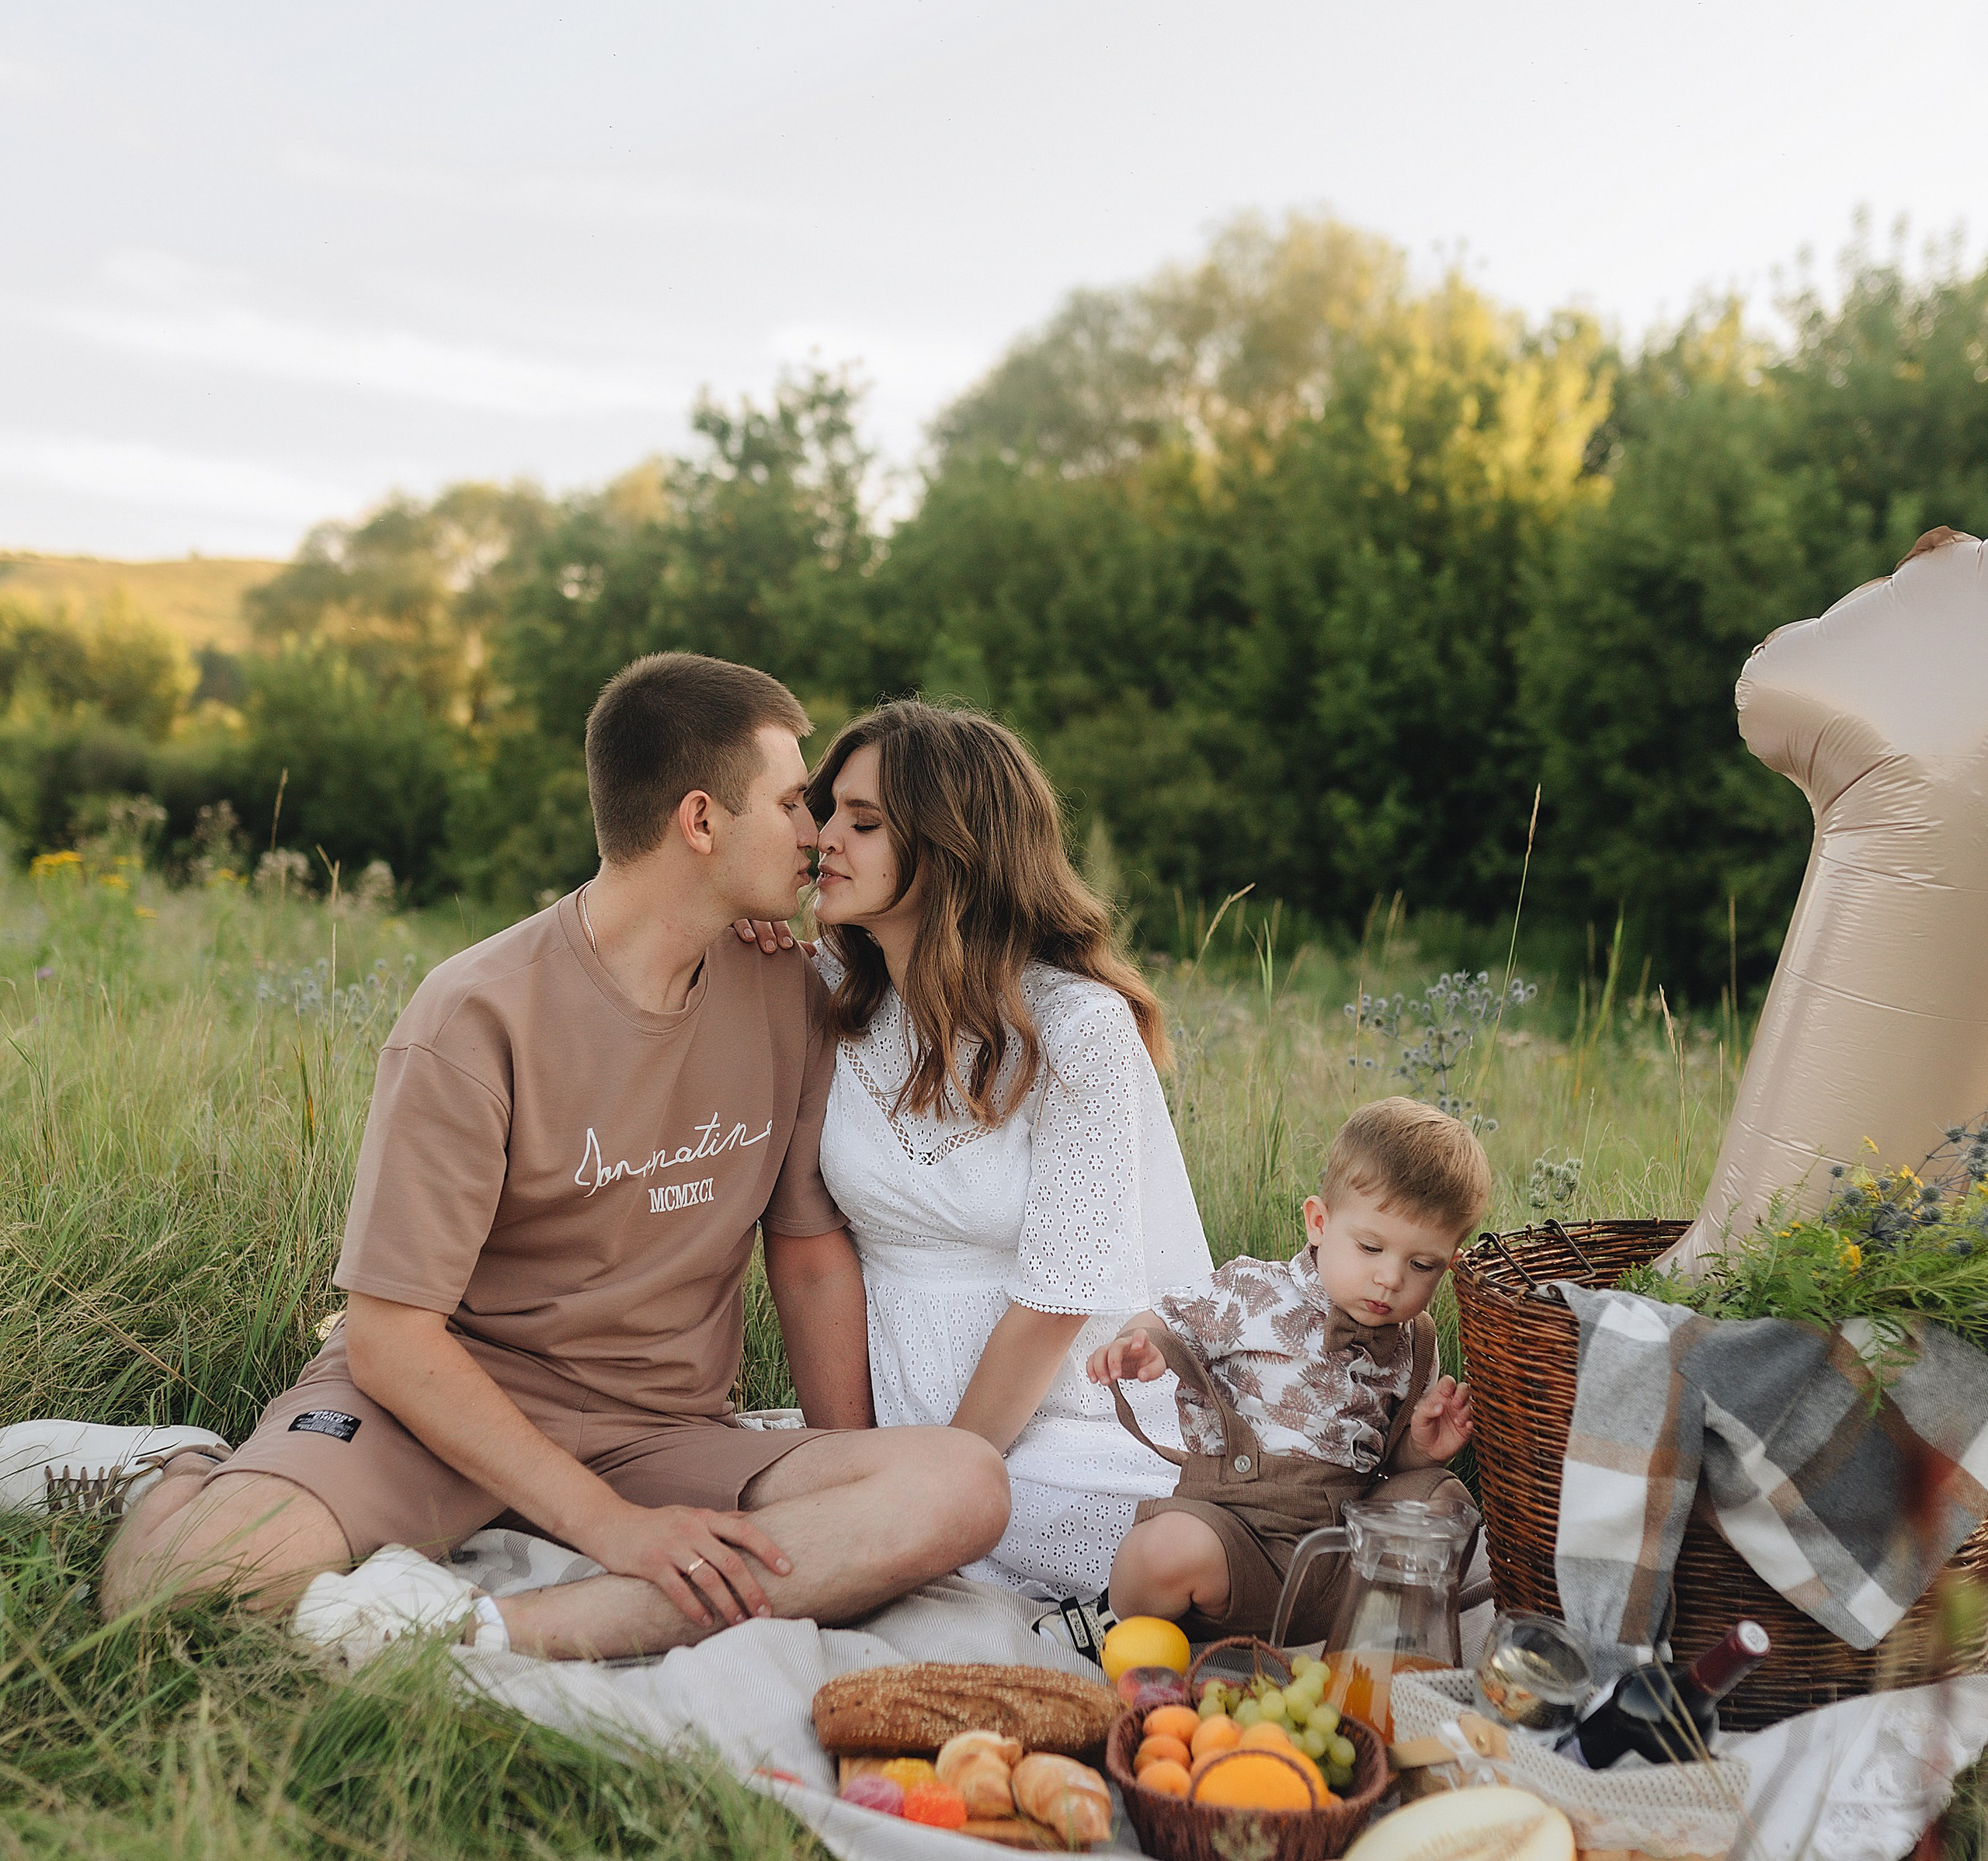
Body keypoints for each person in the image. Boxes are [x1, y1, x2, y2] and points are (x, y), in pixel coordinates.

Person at [101, 653, 1010, 1657]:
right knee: (187, 1592)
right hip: (448, 1415)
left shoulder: (787, 992)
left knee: (956, 1486)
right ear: (701, 821)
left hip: (665, 1437)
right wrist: (607, 1528)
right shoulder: (474, 1013)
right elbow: (393, 1338)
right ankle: (183, 1470)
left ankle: (499, 1629)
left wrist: (843, 1460)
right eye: (795, 801)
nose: (817, 834)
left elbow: (805, 1253)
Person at [804, 700, 1211, 1616]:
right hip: (899, 1408)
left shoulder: (1079, 1030)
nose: (822, 838)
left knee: (1141, 1551)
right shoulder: (826, 996)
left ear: (953, 850)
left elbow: (1056, 1303)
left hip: (1056, 1415)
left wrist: (941, 1481)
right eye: (827, 811)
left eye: (861, 823)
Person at [1090, 1096, 1489, 1644]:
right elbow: (1166, 1320)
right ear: (1319, 1222)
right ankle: (1130, 1624)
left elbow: (1388, 1464)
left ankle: (1374, 1629)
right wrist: (1141, 1345)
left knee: (1445, 1502)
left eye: (1423, 1265)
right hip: (1235, 1535)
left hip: (1345, 1550)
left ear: (1452, 1260)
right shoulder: (1252, 1291)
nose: (1391, 1279)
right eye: (1371, 1247)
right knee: (1159, 1551)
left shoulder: (1415, 1341)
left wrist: (1422, 1448)